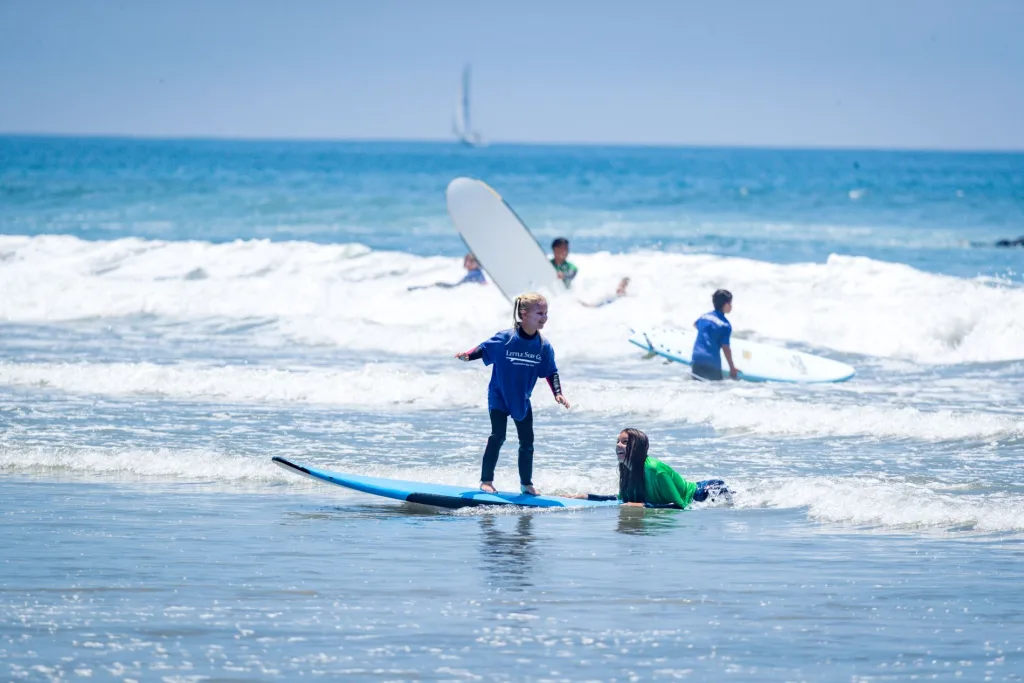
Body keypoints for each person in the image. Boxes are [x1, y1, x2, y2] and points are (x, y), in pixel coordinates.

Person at [455, 292, 570, 495]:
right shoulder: (505, 339)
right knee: (497, 436)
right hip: (499, 395)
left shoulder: (543, 346)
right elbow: (483, 349)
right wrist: (467, 356)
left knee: (527, 442)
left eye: (546, 313)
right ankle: (486, 481)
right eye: (539, 313)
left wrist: (558, 393)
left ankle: (526, 484)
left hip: (521, 399)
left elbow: (551, 372)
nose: (544, 318)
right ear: (524, 314)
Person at [572, 428, 729, 508]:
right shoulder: (626, 468)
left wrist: (643, 506)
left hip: (707, 492)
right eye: (617, 441)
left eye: (625, 442)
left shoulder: (655, 469)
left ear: (637, 447)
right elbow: (623, 499)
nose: (618, 445)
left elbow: (679, 505)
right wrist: (587, 497)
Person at [691, 289, 739, 381]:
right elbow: (725, 348)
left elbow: (695, 325)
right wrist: (732, 368)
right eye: (730, 303)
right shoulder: (725, 325)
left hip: (697, 358)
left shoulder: (704, 317)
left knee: (696, 386)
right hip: (712, 362)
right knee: (715, 388)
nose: (731, 306)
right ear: (725, 305)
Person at [408, 253, 486, 290]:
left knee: (437, 285)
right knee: (437, 284)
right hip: (456, 288)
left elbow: (458, 287)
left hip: (455, 289)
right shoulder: (476, 273)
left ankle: (418, 289)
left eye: (467, 260)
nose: (464, 262)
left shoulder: (475, 273)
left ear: (474, 263)